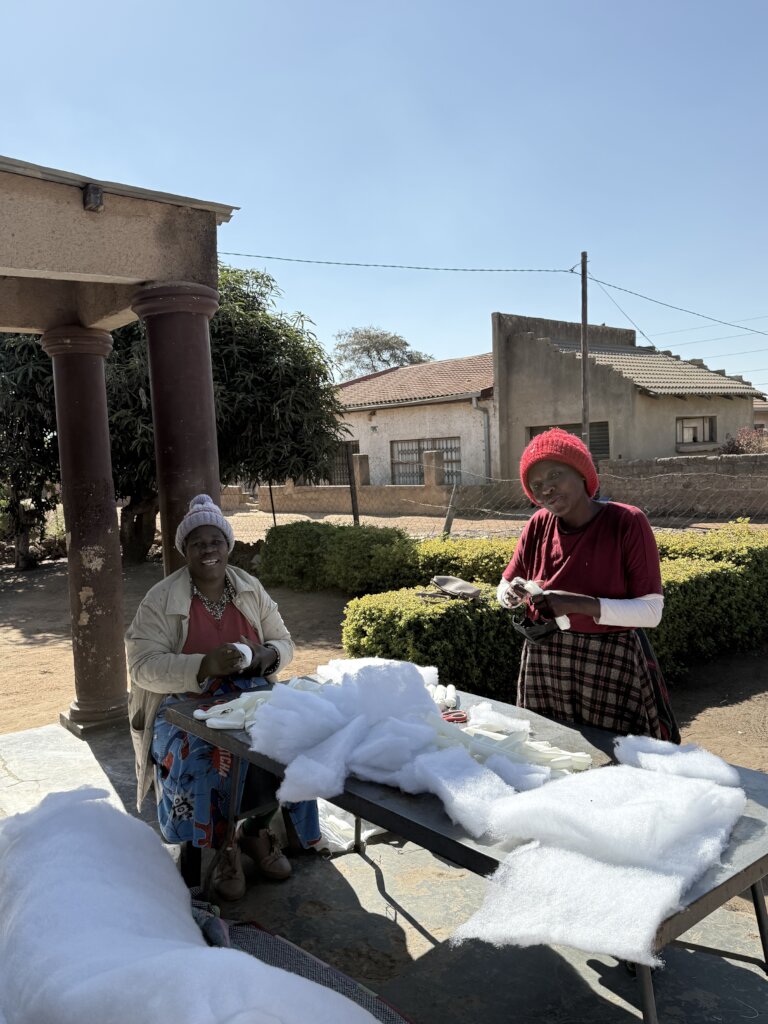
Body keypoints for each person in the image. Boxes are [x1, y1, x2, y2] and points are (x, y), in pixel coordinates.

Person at [126, 494, 321, 900]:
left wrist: (266, 656)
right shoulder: (161, 600)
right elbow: (142, 665)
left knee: (291, 740)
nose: (208, 550)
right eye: (198, 543)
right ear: (185, 551)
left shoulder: (251, 590)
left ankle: (255, 831)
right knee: (206, 754)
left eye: (216, 541)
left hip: (249, 691)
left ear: (228, 545)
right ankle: (223, 844)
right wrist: (202, 665)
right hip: (181, 703)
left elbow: (283, 642)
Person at [497, 429, 679, 742]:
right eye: (536, 485)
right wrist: (510, 593)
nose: (546, 489)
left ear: (582, 473)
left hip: (609, 660)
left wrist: (575, 604)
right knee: (552, 751)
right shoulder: (538, 524)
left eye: (555, 474)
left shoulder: (626, 522)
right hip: (545, 658)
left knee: (614, 758)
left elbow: (651, 612)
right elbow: (505, 584)